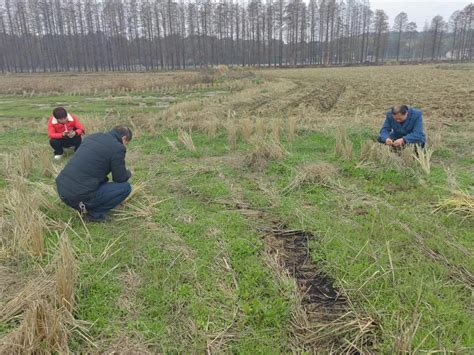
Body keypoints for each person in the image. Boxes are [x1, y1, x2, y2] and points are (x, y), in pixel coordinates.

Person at [55, 125, 133, 222]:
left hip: (62, 189)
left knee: (103, 180)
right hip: (78, 196)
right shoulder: (118, 148)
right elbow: (119, 179)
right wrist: (128, 173)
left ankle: (84, 204)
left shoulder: (93, 136)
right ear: (124, 138)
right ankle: (94, 215)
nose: (125, 145)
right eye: (126, 143)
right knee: (125, 188)